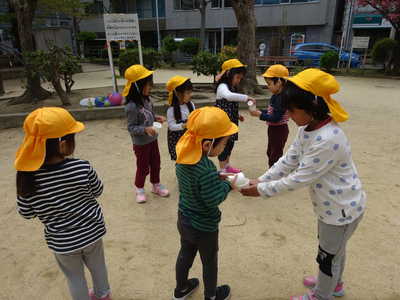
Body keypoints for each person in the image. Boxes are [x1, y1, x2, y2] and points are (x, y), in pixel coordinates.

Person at [241, 69, 366, 300]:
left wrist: (261, 191)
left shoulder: (329, 139)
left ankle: (321, 294)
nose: (288, 114)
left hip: (342, 210)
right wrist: (262, 179)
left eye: (292, 110)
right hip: (331, 207)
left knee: (328, 255)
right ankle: (333, 285)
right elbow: (289, 159)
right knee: (333, 250)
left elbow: (299, 178)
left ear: (313, 107)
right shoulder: (306, 128)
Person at [14, 107, 112, 300]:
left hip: (63, 242)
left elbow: (26, 213)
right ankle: (103, 295)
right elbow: (98, 191)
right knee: (98, 268)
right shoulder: (81, 167)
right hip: (92, 232)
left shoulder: (28, 178)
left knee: (75, 278)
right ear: (63, 142)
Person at [172, 106, 238, 300]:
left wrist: (219, 175)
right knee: (209, 261)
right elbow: (213, 199)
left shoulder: (183, 156)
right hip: (204, 226)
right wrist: (229, 185)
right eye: (223, 143)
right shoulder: (206, 168)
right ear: (208, 144)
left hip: (184, 218)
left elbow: (196, 183)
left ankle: (181, 288)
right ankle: (211, 296)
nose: (224, 147)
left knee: (185, 252)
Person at [123, 64, 169, 203]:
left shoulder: (147, 100)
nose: (151, 87)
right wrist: (144, 129)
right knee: (142, 167)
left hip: (152, 139)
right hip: (141, 143)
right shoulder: (131, 106)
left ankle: (156, 185)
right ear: (137, 86)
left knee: (156, 163)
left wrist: (156, 118)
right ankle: (140, 189)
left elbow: (149, 116)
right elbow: (131, 127)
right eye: (148, 85)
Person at [215, 58, 255, 174]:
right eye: (237, 77)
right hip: (223, 124)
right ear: (228, 74)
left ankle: (227, 166)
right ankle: (223, 171)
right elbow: (228, 96)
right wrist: (246, 97)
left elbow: (230, 104)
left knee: (230, 145)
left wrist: (237, 115)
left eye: (240, 78)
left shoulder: (231, 87)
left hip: (231, 122)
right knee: (224, 146)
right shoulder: (222, 87)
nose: (238, 80)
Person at [249, 64, 290, 167]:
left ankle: (274, 176)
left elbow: (276, 118)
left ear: (279, 82)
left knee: (275, 155)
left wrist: (259, 115)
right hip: (273, 129)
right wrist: (260, 111)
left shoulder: (282, 98)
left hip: (279, 129)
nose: (268, 86)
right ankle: (272, 173)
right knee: (270, 152)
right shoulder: (276, 95)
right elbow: (270, 111)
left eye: (269, 83)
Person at [166, 75, 195, 161]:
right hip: (177, 139)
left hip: (189, 138)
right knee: (181, 160)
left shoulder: (191, 105)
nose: (190, 95)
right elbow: (171, 126)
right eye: (188, 93)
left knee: (191, 158)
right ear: (178, 94)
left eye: (191, 92)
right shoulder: (171, 110)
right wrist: (183, 126)